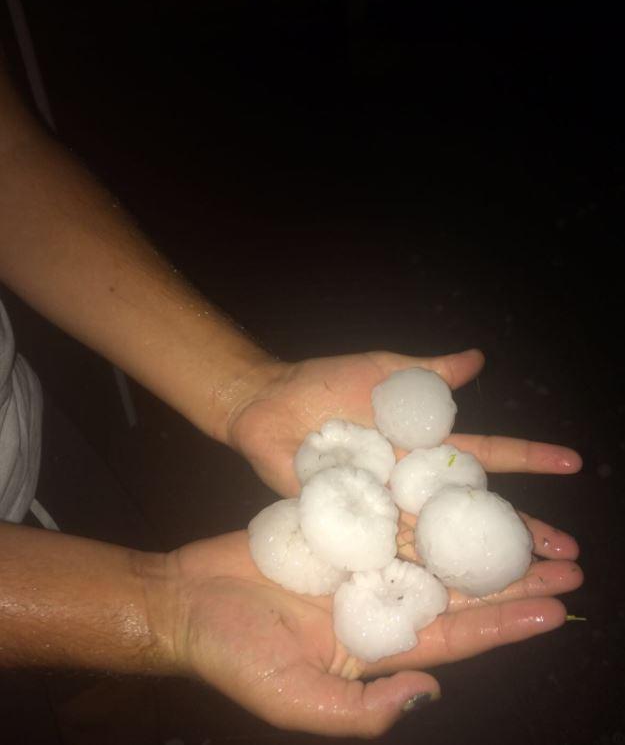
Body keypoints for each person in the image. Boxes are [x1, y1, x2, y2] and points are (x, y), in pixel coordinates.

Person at [0, 55, 584, 737]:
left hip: (26, 450)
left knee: (102, 696)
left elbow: (7, 155)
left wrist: (249, 390)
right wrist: (154, 611)